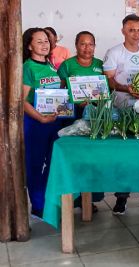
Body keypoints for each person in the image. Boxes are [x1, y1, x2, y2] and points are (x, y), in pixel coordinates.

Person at [103, 14, 139, 214]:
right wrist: (125, 88)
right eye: (131, 30)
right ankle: (121, 198)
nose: (136, 34)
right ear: (123, 31)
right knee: (125, 155)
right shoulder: (114, 53)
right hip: (123, 107)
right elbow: (109, 81)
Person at [57, 31, 105, 211]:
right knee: (75, 157)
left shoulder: (100, 65)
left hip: (97, 115)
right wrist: (74, 102)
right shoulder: (67, 65)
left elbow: (106, 90)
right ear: (76, 45)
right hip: (73, 115)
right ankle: (74, 197)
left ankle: (90, 198)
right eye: (83, 44)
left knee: (93, 157)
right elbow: (61, 92)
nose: (87, 48)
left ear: (94, 46)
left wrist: (94, 102)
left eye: (90, 44)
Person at [23, 28, 63, 218]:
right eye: (39, 41)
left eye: (46, 40)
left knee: (53, 162)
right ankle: (38, 205)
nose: (44, 44)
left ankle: (47, 201)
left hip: (53, 122)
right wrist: (39, 118)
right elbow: (21, 100)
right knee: (35, 164)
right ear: (29, 45)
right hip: (35, 123)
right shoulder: (27, 67)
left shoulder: (50, 66)